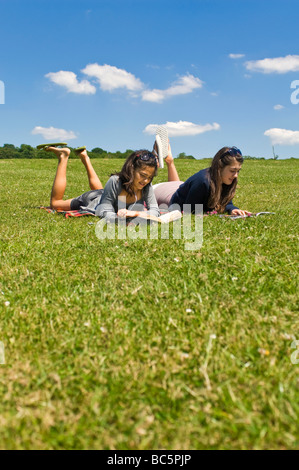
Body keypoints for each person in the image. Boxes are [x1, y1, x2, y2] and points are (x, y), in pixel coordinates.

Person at [44, 146, 160, 222]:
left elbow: (155, 211)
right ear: (132, 168)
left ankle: (85, 157)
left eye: (149, 177)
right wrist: (119, 219)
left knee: (102, 192)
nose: (146, 181)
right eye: (143, 175)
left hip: (104, 195)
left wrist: (133, 213)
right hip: (92, 200)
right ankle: (63, 156)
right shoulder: (115, 181)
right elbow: (103, 210)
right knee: (55, 203)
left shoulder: (146, 186)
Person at [153, 144, 251, 216]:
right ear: (220, 167)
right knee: (173, 192)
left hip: (179, 187)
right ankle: (161, 158)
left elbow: (226, 203)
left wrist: (232, 209)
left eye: (238, 171)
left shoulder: (227, 179)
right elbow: (189, 211)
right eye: (233, 171)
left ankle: (170, 161)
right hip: (162, 191)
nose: (236, 175)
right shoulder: (202, 181)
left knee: (179, 185)